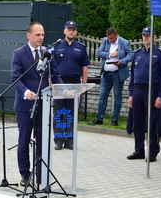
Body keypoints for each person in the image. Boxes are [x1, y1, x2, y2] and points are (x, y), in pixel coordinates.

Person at [11, 22, 63, 186]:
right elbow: (16, 78)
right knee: (24, 140)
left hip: (44, 104)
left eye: (42, 35)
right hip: (26, 105)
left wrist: (64, 89)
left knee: (42, 141)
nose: (41, 38)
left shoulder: (47, 53)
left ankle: (41, 174)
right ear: (29, 35)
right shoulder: (19, 54)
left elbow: (55, 75)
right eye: (37, 35)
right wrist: (26, 92)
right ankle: (25, 175)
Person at [126, 27, 161, 162]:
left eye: (148, 35)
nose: (145, 38)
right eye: (144, 35)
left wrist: (160, 96)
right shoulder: (137, 54)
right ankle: (139, 150)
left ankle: (153, 151)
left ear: (154, 37)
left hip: (152, 90)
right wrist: (131, 94)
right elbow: (132, 75)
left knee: (151, 122)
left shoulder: (160, 54)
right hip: (137, 90)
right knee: (137, 122)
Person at [53, 21, 90, 151]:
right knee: (59, 113)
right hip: (60, 83)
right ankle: (58, 140)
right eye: (69, 29)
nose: (71, 31)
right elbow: (50, 68)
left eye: (73, 29)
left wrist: (84, 85)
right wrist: (52, 85)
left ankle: (69, 141)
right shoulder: (56, 47)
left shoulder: (81, 47)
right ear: (64, 31)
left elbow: (84, 67)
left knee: (71, 114)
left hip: (74, 83)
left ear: (76, 32)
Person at [90, 28, 134, 126]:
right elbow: (99, 53)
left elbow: (131, 54)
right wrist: (110, 55)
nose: (110, 40)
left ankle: (115, 119)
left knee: (117, 96)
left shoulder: (124, 42)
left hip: (117, 73)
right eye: (108, 38)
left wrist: (121, 62)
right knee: (102, 95)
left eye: (112, 38)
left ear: (116, 35)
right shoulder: (105, 41)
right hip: (106, 73)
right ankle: (99, 118)